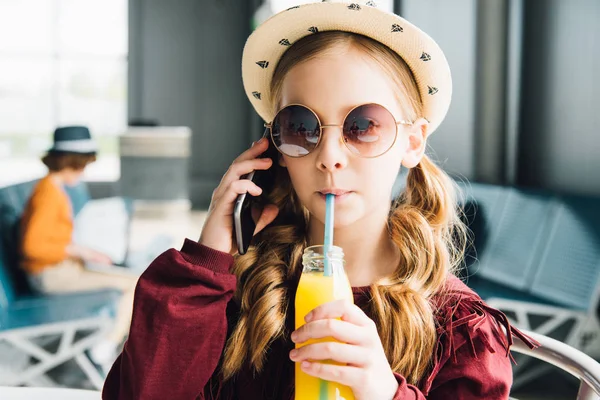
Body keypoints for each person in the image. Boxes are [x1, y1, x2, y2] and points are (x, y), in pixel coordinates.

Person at [103, 1, 538, 399]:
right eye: (301, 127)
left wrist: (385, 392)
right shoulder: (236, 297)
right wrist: (207, 261)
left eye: (363, 125)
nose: (329, 157)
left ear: (413, 141)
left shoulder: (458, 329)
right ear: (273, 146)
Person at [19, 125, 138, 373]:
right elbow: (33, 246)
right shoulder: (48, 195)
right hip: (51, 275)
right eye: (80, 165)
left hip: (59, 269)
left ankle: (112, 343)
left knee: (132, 276)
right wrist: (78, 252)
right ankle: (104, 348)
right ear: (69, 162)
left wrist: (85, 252)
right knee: (134, 282)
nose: (83, 171)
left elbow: (52, 239)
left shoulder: (52, 188)